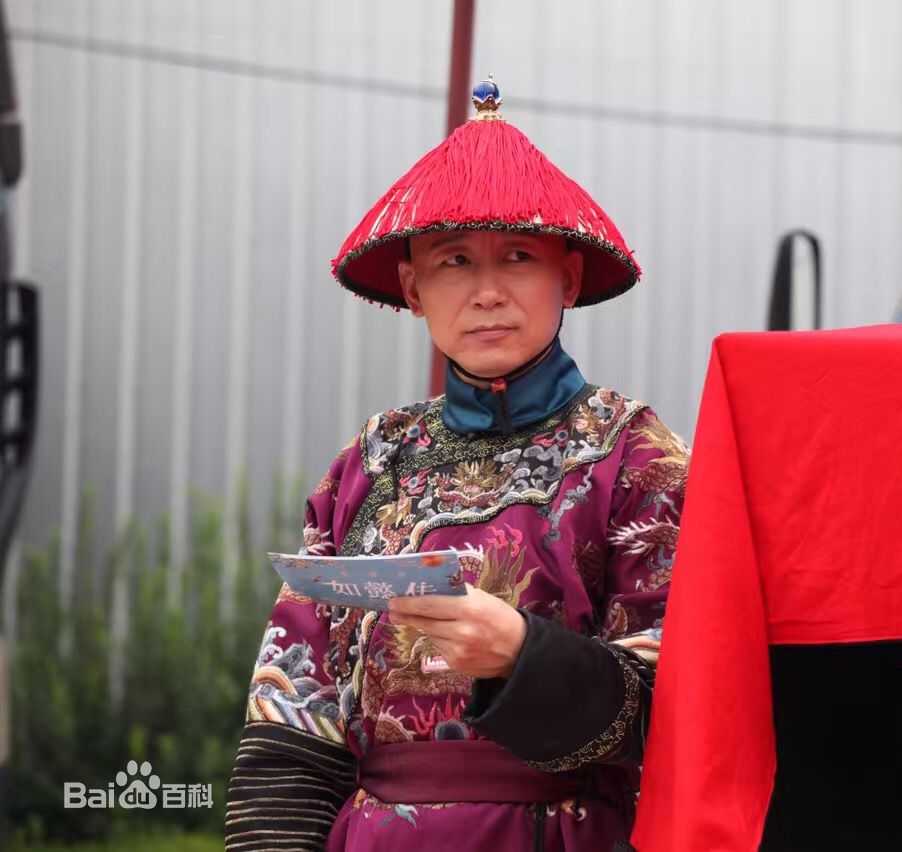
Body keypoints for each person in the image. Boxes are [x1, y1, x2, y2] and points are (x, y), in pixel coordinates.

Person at [225, 78, 688, 852]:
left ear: (569, 278)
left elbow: (687, 703)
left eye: (519, 256)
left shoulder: (637, 456)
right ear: (413, 289)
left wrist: (525, 657)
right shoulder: (371, 462)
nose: (487, 292)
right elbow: (294, 710)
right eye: (454, 262)